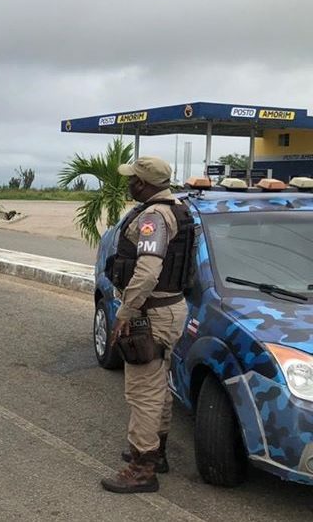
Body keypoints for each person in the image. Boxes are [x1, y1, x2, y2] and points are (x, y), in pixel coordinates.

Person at [101, 156, 194, 494]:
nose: (129, 185)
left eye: (132, 180)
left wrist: (125, 312)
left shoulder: (154, 216)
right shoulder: (177, 208)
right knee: (158, 382)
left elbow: (148, 271)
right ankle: (158, 452)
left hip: (152, 312)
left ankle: (143, 468)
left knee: (143, 390)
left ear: (142, 184)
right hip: (168, 309)